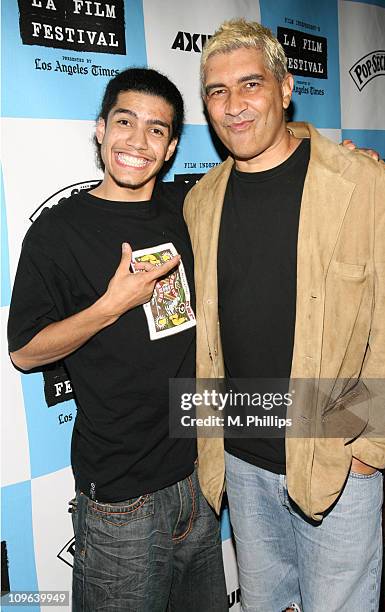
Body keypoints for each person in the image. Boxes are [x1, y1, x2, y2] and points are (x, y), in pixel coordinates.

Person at [183, 19, 385, 612]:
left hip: (334, 454)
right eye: (217, 91)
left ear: (285, 87)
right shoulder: (200, 200)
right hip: (239, 457)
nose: (234, 106)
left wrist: (370, 450)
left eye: (250, 84)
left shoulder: (364, 185)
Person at [8, 68, 228, 612]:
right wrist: (110, 306)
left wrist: (338, 156)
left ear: (173, 144)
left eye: (157, 129)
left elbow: (270, 169)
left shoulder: (190, 207)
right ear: (101, 129)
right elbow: (24, 351)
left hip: (198, 482)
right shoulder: (58, 231)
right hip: (120, 499)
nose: (138, 141)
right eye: (125, 122)